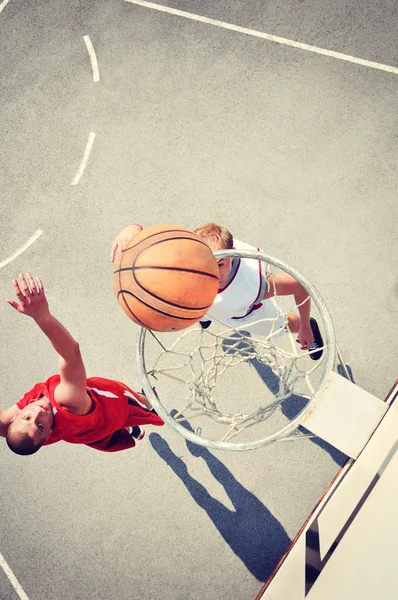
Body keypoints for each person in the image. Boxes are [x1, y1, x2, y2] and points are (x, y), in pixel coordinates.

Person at [0, 273, 163, 456]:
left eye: (27, 417)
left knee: (106, 432)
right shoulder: (67, 400)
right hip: (111, 411)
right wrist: (42, 317)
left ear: (15, 416)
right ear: (48, 436)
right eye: (39, 425)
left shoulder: (18, 431)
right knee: (136, 401)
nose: (38, 412)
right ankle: (148, 405)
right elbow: (72, 355)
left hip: (86, 433)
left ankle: (131, 429)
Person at [110, 223, 323, 360]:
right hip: (215, 309)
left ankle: (308, 328)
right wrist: (133, 229)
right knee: (193, 307)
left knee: (280, 327)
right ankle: (202, 316)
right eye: (208, 264)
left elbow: (299, 286)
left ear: (233, 257)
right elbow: (156, 248)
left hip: (247, 315)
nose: (213, 273)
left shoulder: (255, 283)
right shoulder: (187, 263)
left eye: (221, 264)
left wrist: (304, 325)